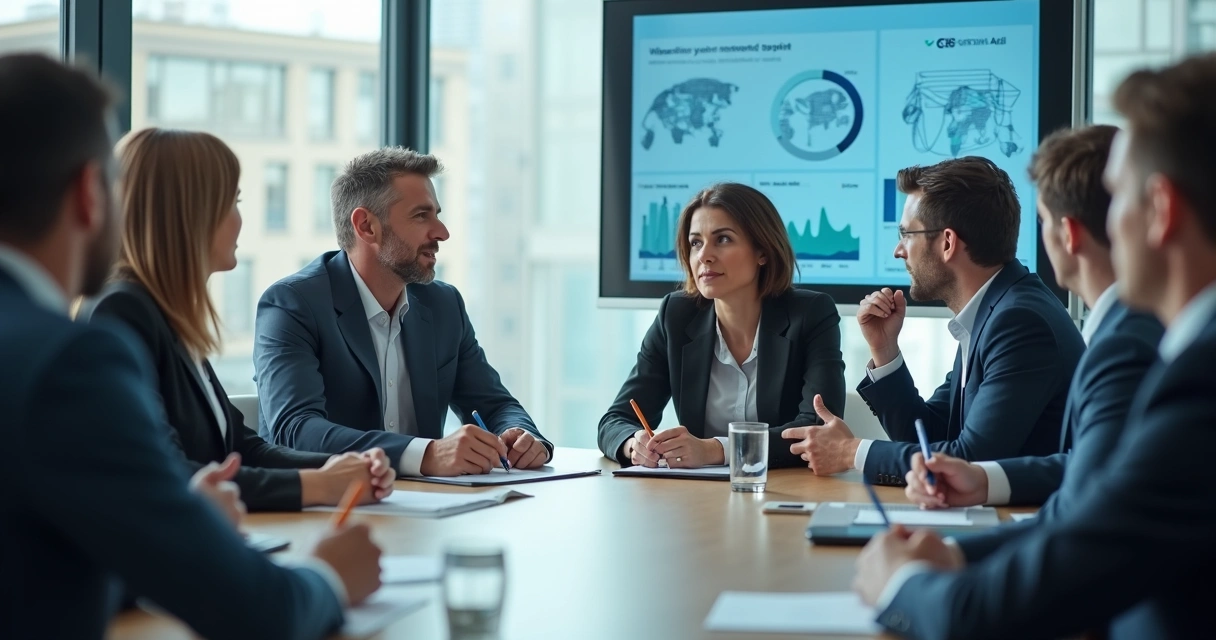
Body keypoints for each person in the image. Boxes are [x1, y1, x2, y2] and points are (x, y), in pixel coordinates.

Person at [0, 53, 380, 640]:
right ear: (89, 195)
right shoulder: (68, 359)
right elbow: (254, 612)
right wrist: (329, 575)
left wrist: (176, 519)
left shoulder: (148, 324)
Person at [854, 52, 1216, 640]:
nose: (1099, 222)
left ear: (1160, 211)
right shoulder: (1185, 353)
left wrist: (902, 587)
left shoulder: (1197, 374)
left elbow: (1078, 556)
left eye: (1116, 195)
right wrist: (957, 553)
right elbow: (1099, 501)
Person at [78, 128, 396, 512]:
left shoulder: (166, 315)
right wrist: (320, 485)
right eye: (233, 202)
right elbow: (167, 471)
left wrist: (344, 470)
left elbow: (243, 448)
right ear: (188, 213)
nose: (240, 220)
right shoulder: (123, 312)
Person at [902, 125, 1162, 521]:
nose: (898, 249)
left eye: (1042, 220)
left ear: (1068, 234)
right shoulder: (999, 311)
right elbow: (1083, 466)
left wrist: (951, 564)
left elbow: (1095, 501)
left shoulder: (1110, 340)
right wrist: (984, 480)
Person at [784, 156, 1085, 485]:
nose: (898, 251)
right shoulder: (995, 309)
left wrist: (850, 452)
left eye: (906, 235)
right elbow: (929, 435)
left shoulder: (1019, 321)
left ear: (947, 242)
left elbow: (969, 463)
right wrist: (885, 350)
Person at [254, 147, 551, 477]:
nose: (442, 232)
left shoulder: (443, 305)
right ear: (366, 226)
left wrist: (522, 436)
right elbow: (296, 431)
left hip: (426, 510)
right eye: (421, 216)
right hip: (325, 512)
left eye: (436, 214)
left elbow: (495, 405)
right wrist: (425, 454)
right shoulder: (291, 305)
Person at [598, 183, 845, 469]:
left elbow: (817, 429)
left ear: (762, 251)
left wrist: (716, 450)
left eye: (723, 239)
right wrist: (634, 444)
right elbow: (615, 421)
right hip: (699, 499)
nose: (704, 256)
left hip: (785, 491)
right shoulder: (675, 315)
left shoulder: (811, 314)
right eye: (695, 243)